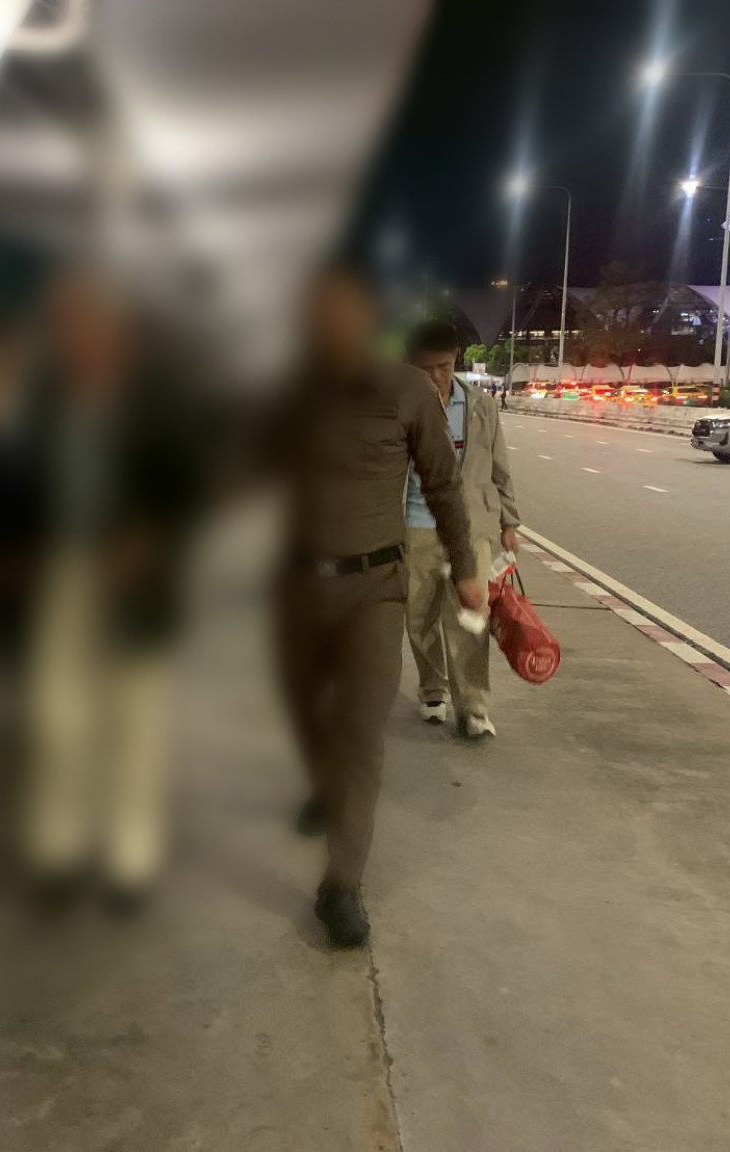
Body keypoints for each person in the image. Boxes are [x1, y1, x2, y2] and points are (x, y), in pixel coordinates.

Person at [274, 265, 482, 948]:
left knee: (361, 731)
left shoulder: (406, 389)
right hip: (295, 589)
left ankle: (341, 885)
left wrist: (467, 569)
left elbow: (444, 485)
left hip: (374, 590)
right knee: (308, 715)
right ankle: (321, 780)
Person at [18, 269, 202, 912]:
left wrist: (153, 534)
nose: (77, 335)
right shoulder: (46, 395)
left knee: (135, 721)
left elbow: (192, 483)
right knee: (56, 719)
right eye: (66, 322)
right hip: (62, 572)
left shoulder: (158, 397)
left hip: (138, 581)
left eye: (89, 320)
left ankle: (129, 859)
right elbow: (24, 480)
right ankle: (59, 852)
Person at [402, 321, 521, 739]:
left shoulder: (480, 406)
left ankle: (473, 706)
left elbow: (499, 466)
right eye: (425, 369)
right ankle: (433, 689)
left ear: (455, 361)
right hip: (415, 527)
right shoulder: (402, 408)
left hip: (471, 528)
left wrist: (509, 522)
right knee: (419, 618)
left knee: (472, 618)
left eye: (444, 366)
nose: (436, 377)